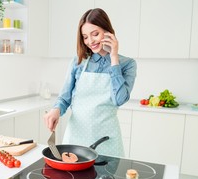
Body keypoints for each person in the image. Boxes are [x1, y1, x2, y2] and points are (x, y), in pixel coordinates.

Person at [44, 8, 137, 157]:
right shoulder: (78, 61)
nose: (90, 41)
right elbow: (64, 98)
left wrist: (114, 58)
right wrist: (56, 110)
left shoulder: (127, 64)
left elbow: (119, 100)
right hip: (76, 138)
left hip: (107, 139)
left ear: (108, 31)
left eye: (95, 34)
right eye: (85, 37)